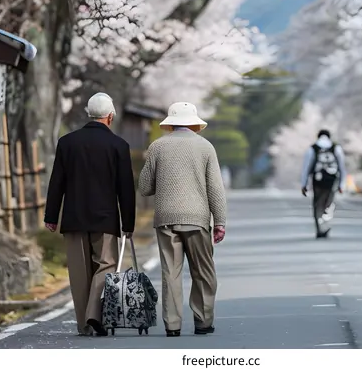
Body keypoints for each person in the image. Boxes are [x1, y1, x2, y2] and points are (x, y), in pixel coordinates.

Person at [44, 92, 136, 337]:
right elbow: (125, 188)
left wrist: (51, 215)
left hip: (73, 217)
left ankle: (84, 325)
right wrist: (128, 223)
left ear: (88, 113)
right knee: (106, 264)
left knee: (79, 271)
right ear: (110, 116)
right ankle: (96, 313)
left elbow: (57, 182)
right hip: (105, 218)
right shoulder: (118, 145)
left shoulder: (67, 142)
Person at [139, 101, 226, 338]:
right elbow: (215, 189)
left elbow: (145, 187)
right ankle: (203, 320)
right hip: (197, 219)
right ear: (195, 123)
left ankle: (173, 325)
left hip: (166, 219)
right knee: (203, 271)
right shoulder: (206, 147)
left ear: (171, 124)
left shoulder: (157, 146)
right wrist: (220, 222)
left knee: (171, 272)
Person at [301, 129, 346, 238]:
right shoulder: (336, 148)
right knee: (328, 203)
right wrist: (341, 184)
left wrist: (304, 184)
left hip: (317, 180)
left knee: (317, 204)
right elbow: (342, 167)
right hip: (332, 180)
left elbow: (306, 167)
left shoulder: (313, 149)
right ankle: (325, 224)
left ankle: (320, 227)